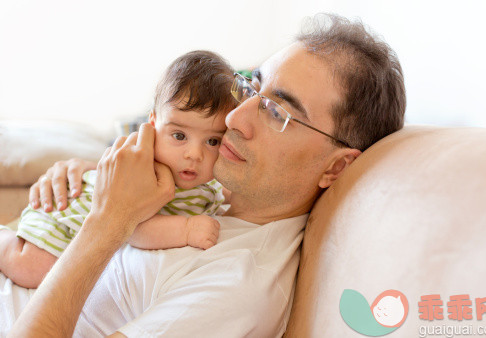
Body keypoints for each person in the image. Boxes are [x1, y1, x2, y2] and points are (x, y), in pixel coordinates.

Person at [2, 14, 405, 337]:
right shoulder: (212, 189)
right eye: (251, 88)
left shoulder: (240, 284)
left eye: (278, 113)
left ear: (336, 166)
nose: (234, 118)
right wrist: (85, 176)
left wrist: (107, 221)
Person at [0, 50, 236, 289]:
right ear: (153, 124)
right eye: (179, 135)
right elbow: (131, 228)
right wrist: (186, 229)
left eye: (212, 141)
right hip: (71, 215)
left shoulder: (211, 179)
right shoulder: (143, 169)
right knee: (33, 269)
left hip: (95, 240)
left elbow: (230, 195)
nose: (194, 154)